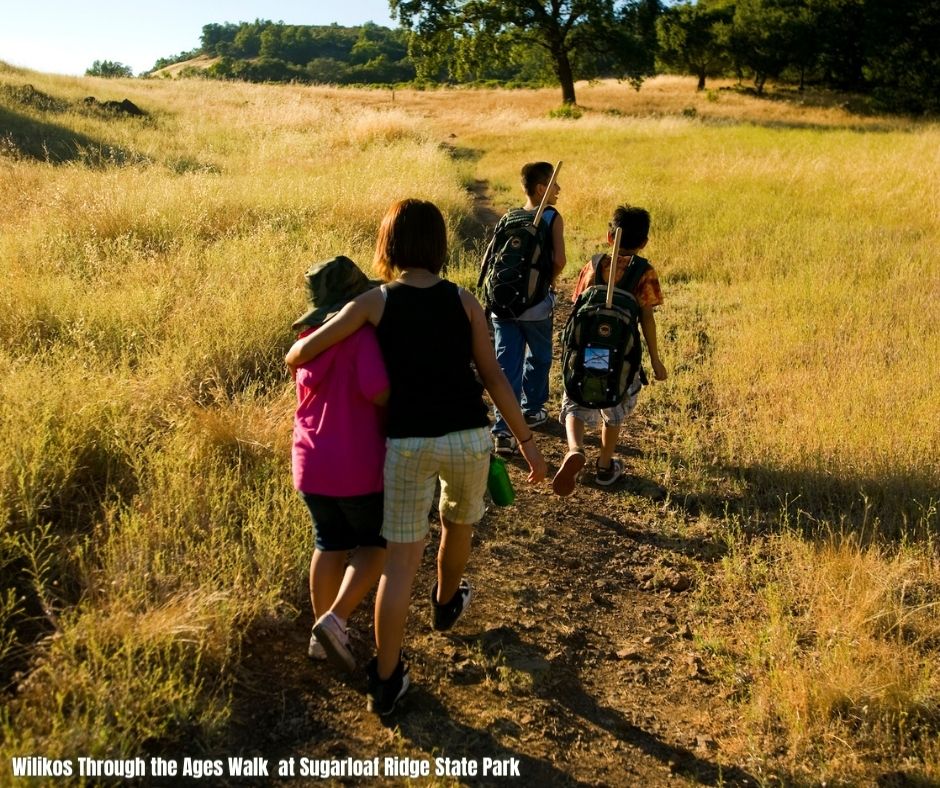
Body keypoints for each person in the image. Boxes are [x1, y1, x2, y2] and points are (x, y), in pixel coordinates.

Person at [286, 199, 547, 716]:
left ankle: (386, 679)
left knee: (400, 562)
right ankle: (448, 600)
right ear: (439, 247)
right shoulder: (465, 300)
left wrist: (297, 354)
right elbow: (494, 377)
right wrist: (527, 445)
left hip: (407, 443)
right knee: (459, 524)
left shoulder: (374, 303)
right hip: (468, 438)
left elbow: (305, 350)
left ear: (388, 246)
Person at [290, 256, 389, 673]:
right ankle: (336, 619)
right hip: (356, 464)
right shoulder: (362, 338)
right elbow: (379, 391)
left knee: (328, 543)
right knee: (376, 545)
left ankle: (320, 635)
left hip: (310, 464)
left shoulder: (309, 341)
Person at [552, 205, 667, 496]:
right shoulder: (645, 271)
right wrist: (655, 360)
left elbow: (578, 303)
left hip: (586, 347)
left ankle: (575, 448)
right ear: (644, 243)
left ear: (608, 236)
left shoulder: (593, 265)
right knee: (613, 403)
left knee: (575, 399)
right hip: (621, 354)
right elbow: (647, 317)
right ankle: (604, 466)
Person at [490, 161, 567, 457]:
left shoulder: (509, 216)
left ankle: (503, 432)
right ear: (540, 188)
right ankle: (532, 410)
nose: (558, 189)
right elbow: (559, 260)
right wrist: (544, 283)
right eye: (554, 183)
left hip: (503, 306)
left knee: (505, 366)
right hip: (535, 308)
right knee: (539, 356)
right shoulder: (551, 216)